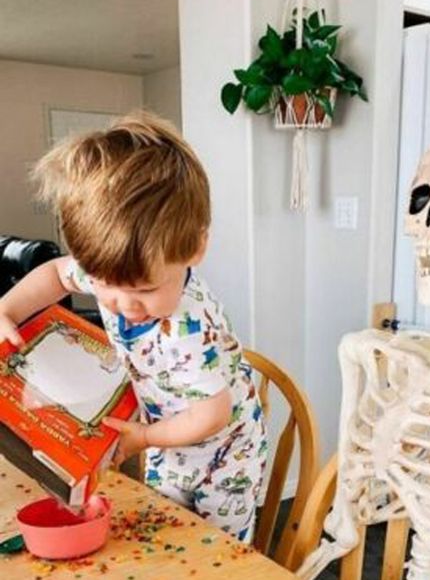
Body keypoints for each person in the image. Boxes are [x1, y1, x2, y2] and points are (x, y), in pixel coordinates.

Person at [0, 113, 267, 542]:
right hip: (168, 439)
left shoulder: (189, 330)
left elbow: (211, 414)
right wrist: (5, 310)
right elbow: (54, 274)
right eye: (106, 287)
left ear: (196, 247)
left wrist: (145, 437)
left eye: (145, 289)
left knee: (219, 550)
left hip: (225, 457)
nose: (125, 306)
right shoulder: (107, 271)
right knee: (165, 534)